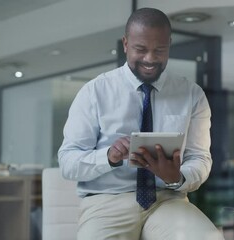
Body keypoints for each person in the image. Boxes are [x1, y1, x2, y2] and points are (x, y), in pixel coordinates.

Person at [58, 7, 224, 240]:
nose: (150, 59)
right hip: (107, 202)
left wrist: (177, 176)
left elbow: (200, 158)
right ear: (126, 44)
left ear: (169, 45)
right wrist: (109, 156)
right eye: (140, 49)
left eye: (159, 50)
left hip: (168, 200)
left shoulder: (192, 94)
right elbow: (68, 162)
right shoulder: (95, 92)